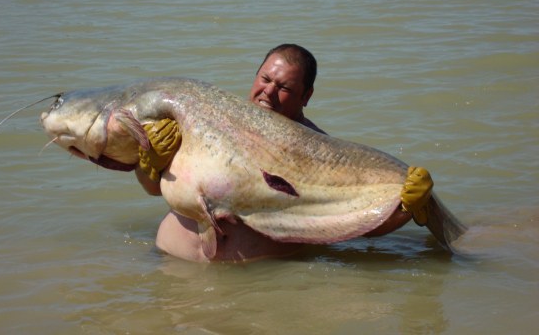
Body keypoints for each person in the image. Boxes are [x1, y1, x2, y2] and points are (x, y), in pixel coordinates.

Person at [135, 44, 430, 262]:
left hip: (255, 287)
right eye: (265, 79)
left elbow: (354, 224)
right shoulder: (207, 121)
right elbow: (152, 188)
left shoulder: (322, 155)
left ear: (306, 96)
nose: (269, 92)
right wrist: (150, 163)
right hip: (171, 266)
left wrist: (404, 208)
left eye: (284, 87)